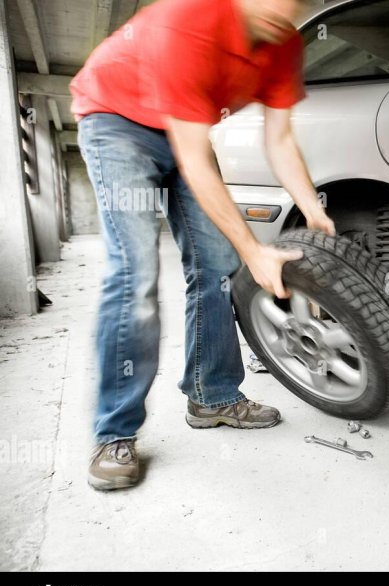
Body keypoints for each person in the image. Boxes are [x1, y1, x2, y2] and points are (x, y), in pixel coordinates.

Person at [70, 0, 334, 491]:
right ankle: (114, 432)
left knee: (217, 265)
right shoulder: (190, 19)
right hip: (116, 120)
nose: (283, 8)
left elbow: (279, 140)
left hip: (184, 129)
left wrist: (312, 207)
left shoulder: (283, 41)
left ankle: (211, 396)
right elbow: (193, 161)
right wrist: (255, 250)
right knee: (136, 274)